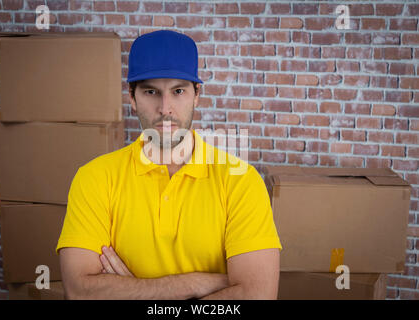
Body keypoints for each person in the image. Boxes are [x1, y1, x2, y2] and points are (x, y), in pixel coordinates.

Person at [56, 30, 282, 300]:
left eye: (178, 91)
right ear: (132, 96)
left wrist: (135, 292)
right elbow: (80, 292)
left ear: (196, 94)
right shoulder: (94, 178)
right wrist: (193, 284)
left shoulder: (241, 181)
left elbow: (257, 296)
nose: (165, 108)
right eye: (151, 91)